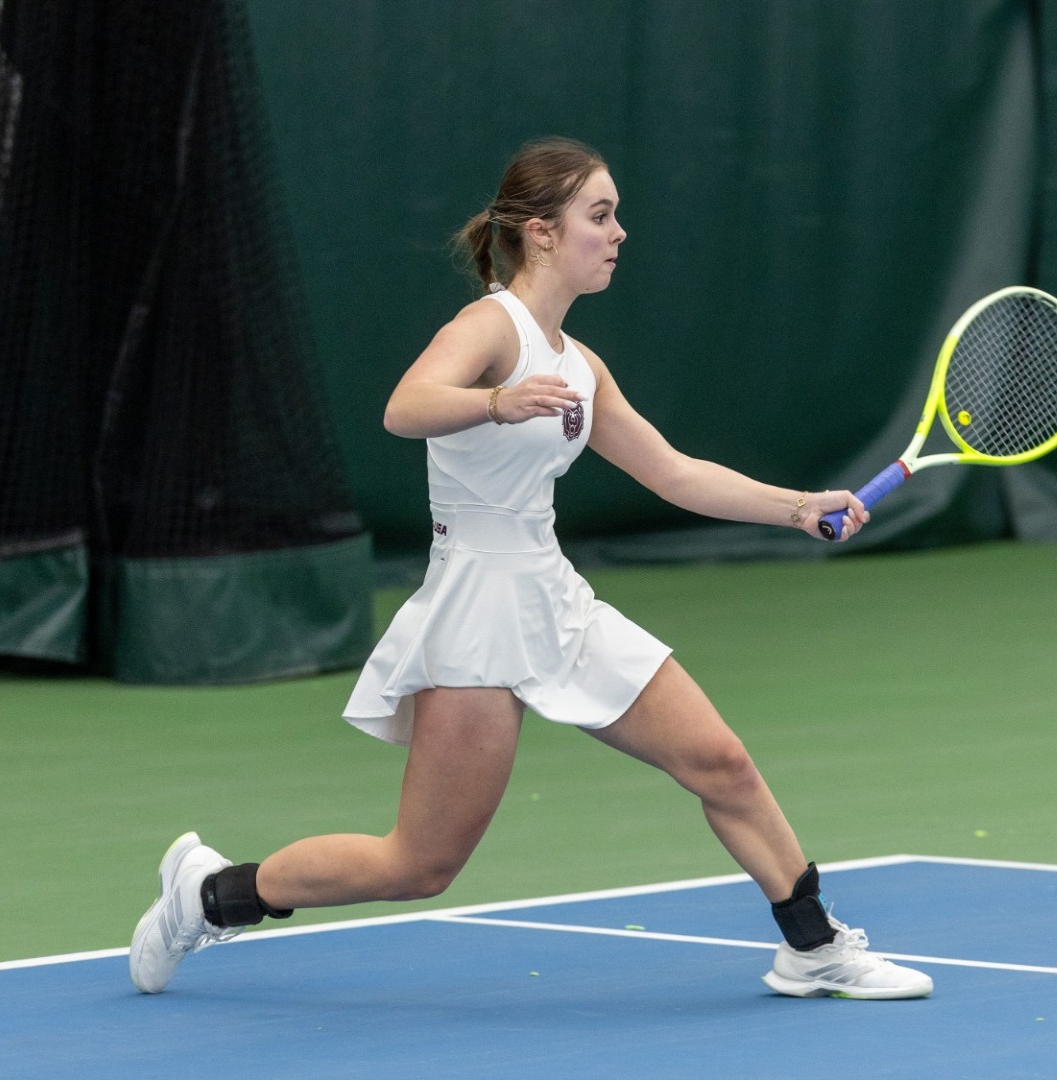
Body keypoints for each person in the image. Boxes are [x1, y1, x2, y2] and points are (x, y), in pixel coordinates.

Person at [130, 136, 932, 1001]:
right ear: (542, 233)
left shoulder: (581, 365)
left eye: (616, 216)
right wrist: (495, 401)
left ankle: (813, 947)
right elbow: (404, 407)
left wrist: (797, 505)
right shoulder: (489, 326)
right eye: (600, 216)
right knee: (420, 864)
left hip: (554, 596)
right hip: (474, 607)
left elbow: (673, 472)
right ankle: (208, 896)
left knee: (721, 762)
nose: (619, 233)